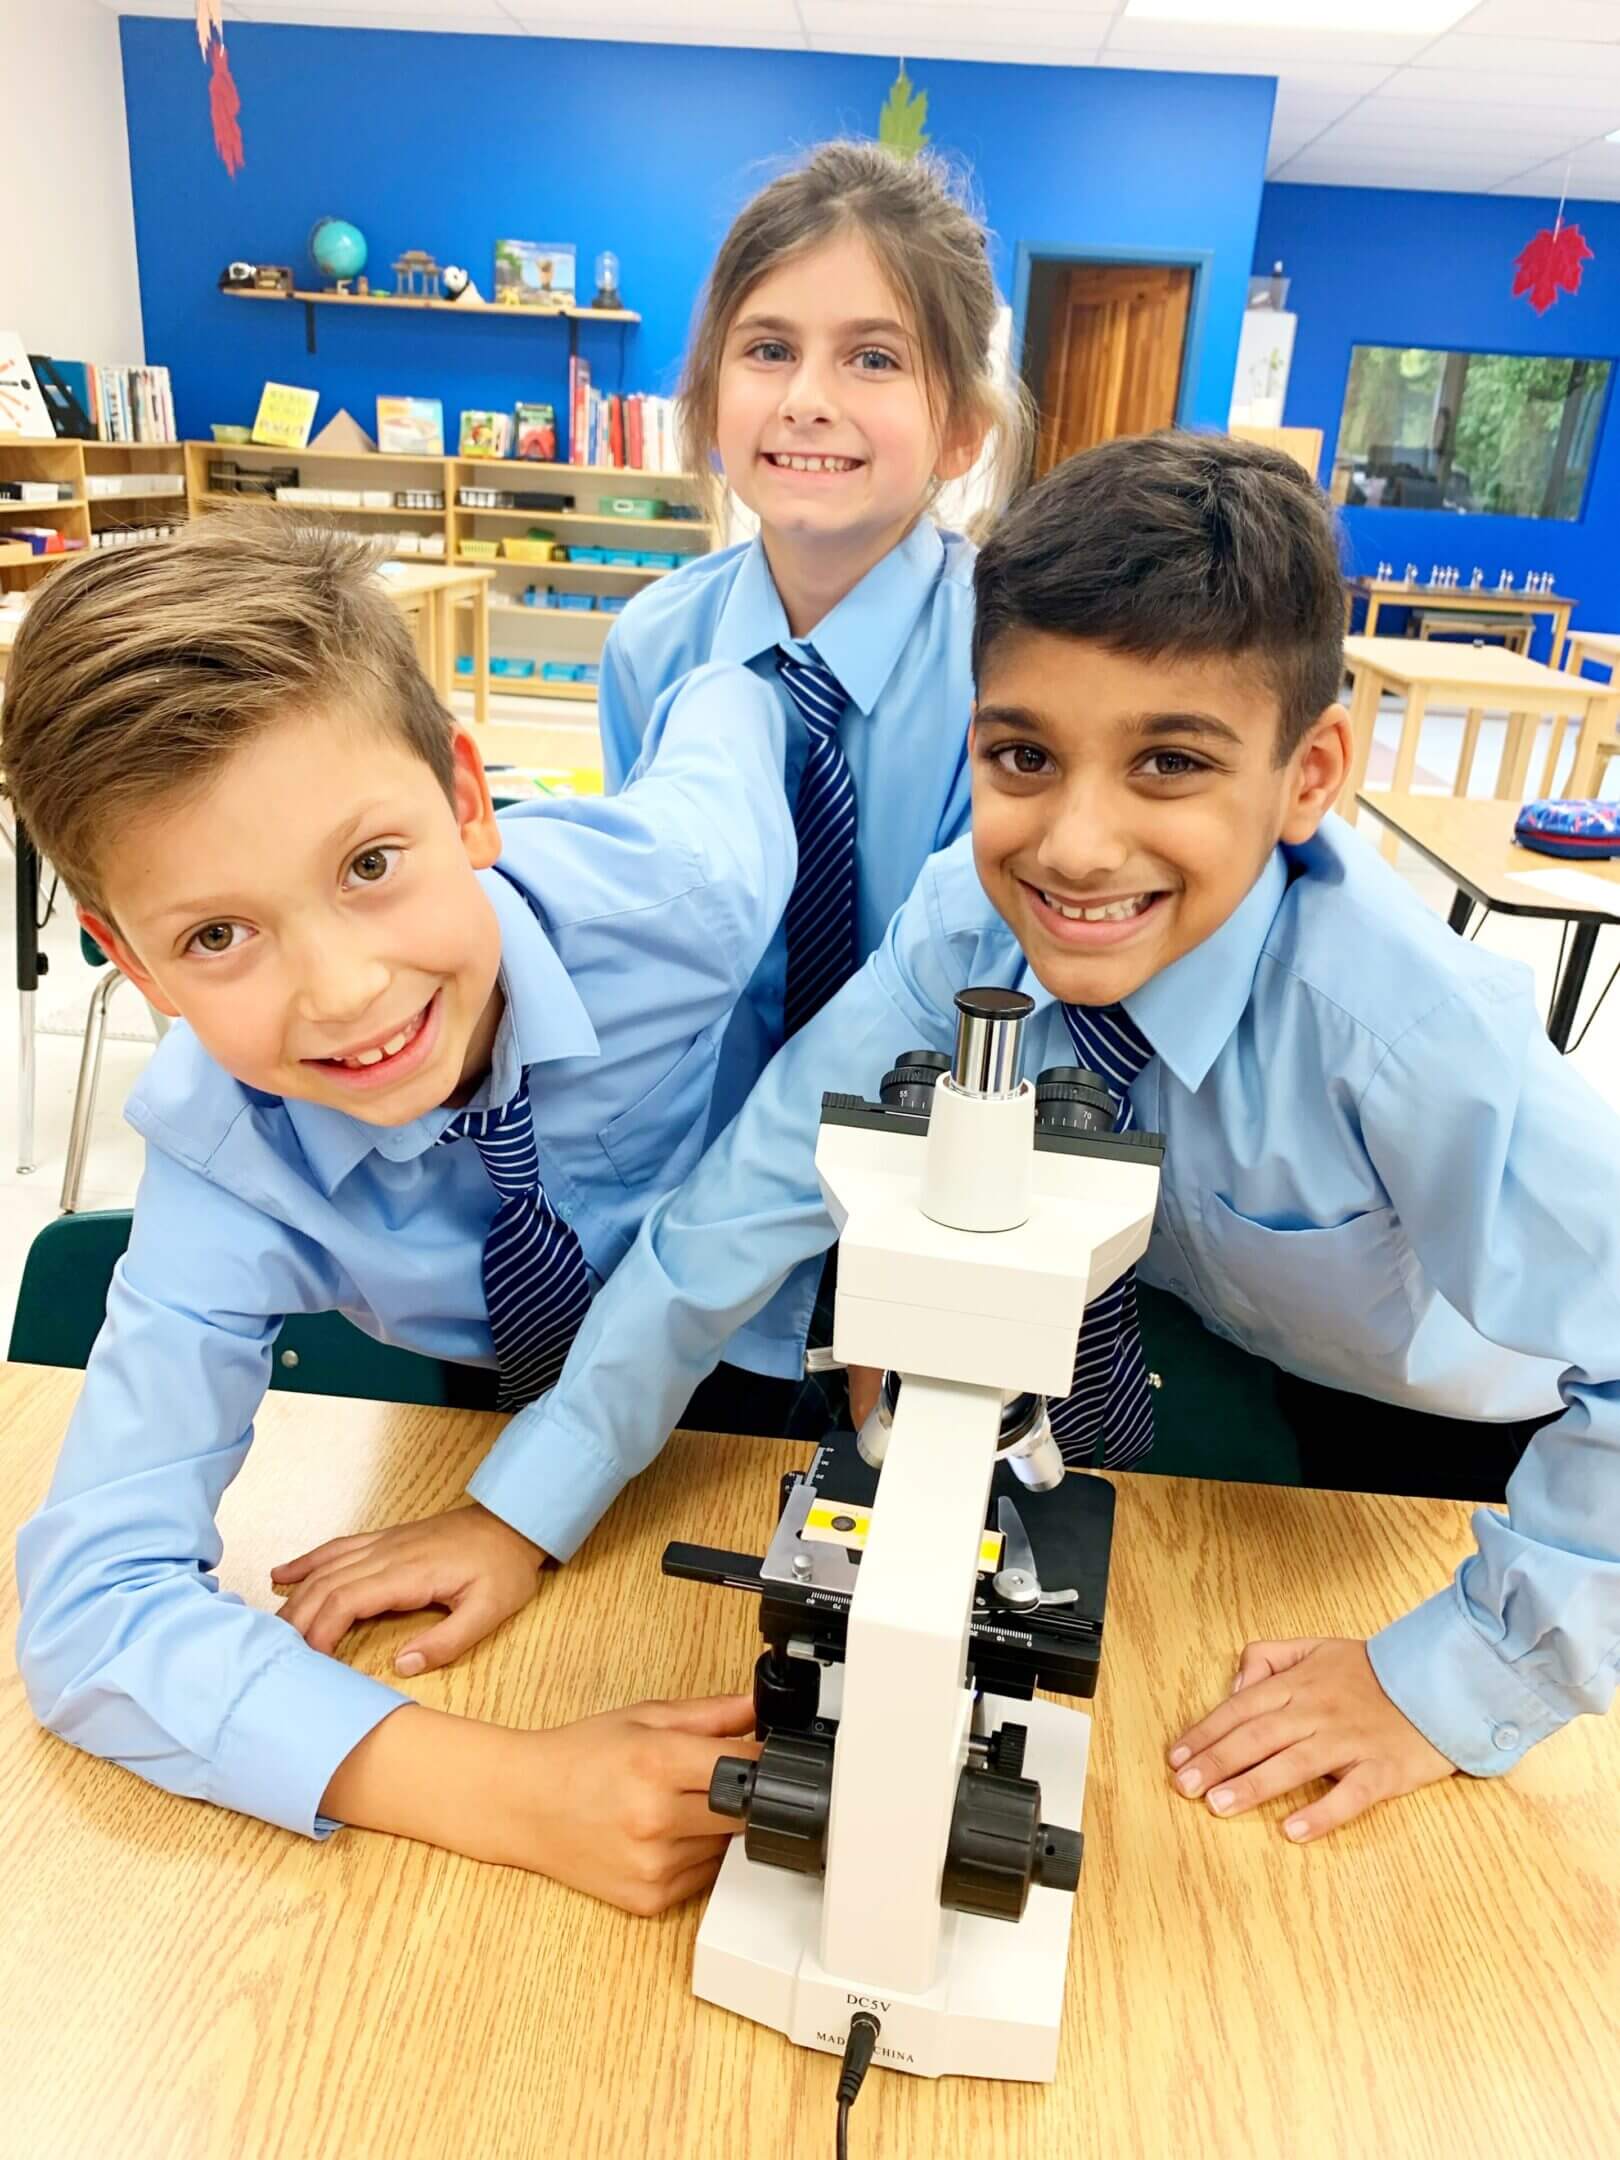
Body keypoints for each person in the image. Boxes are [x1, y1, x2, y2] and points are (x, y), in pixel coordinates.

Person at [352, 432, 1620, 1845]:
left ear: (1309, 774)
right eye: (1024, 755)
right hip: (1212, 1373)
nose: (1076, 846)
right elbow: (742, 1203)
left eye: (1171, 764)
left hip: (1463, 1446)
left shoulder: (1404, 1032)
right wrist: (530, 1500)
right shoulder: (969, 921)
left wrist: (1453, 1677)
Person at [10, 510, 799, 1910]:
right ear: (136, 970)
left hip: (755, 1373)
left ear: (468, 799)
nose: (347, 993)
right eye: (217, 936)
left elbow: (734, 704)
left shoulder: (689, 895)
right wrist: (503, 1788)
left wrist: (746, 620)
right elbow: (91, 1609)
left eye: (371, 865)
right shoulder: (223, 1152)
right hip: (489, 1413)